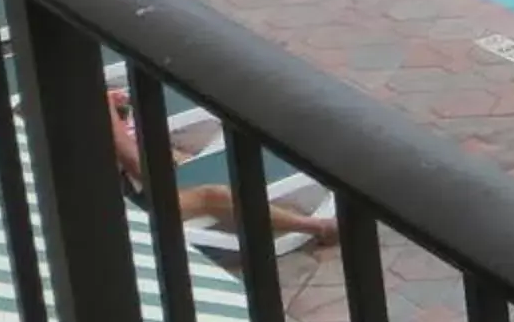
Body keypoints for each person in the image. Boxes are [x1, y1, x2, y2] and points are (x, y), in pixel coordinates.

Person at [108, 89, 340, 246]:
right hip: (126, 200)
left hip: (128, 177)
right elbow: (139, 166)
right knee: (212, 194)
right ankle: (317, 227)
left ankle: (246, 201)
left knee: (182, 159)